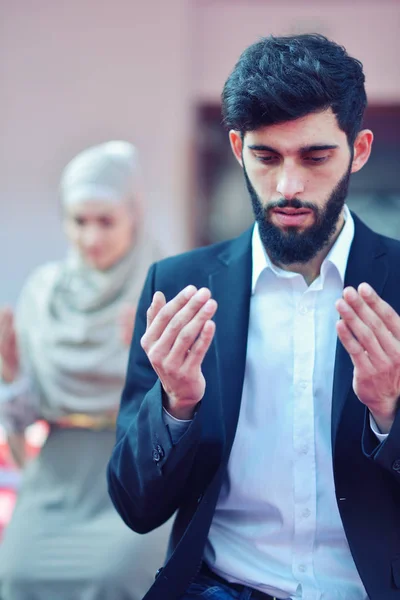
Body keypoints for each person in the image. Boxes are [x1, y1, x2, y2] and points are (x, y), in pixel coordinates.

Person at [107, 35, 400, 600]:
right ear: (238, 148)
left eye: (315, 157)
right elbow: (135, 506)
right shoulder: (177, 288)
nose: (288, 187)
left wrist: (390, 411)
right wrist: (175, 406)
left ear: (358, 150)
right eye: (267, 157)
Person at [0, 141, 172, 600]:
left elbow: (193, 409)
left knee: (116, 579)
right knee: (15, 575)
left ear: (134, 215)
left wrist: (148, 361)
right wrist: (12, 375)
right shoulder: (44, 293)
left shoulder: (162, 288)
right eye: (79, 221)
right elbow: (23, 422)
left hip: (137, 475)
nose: (91, 238)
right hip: (54, 478)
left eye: (106, 221)